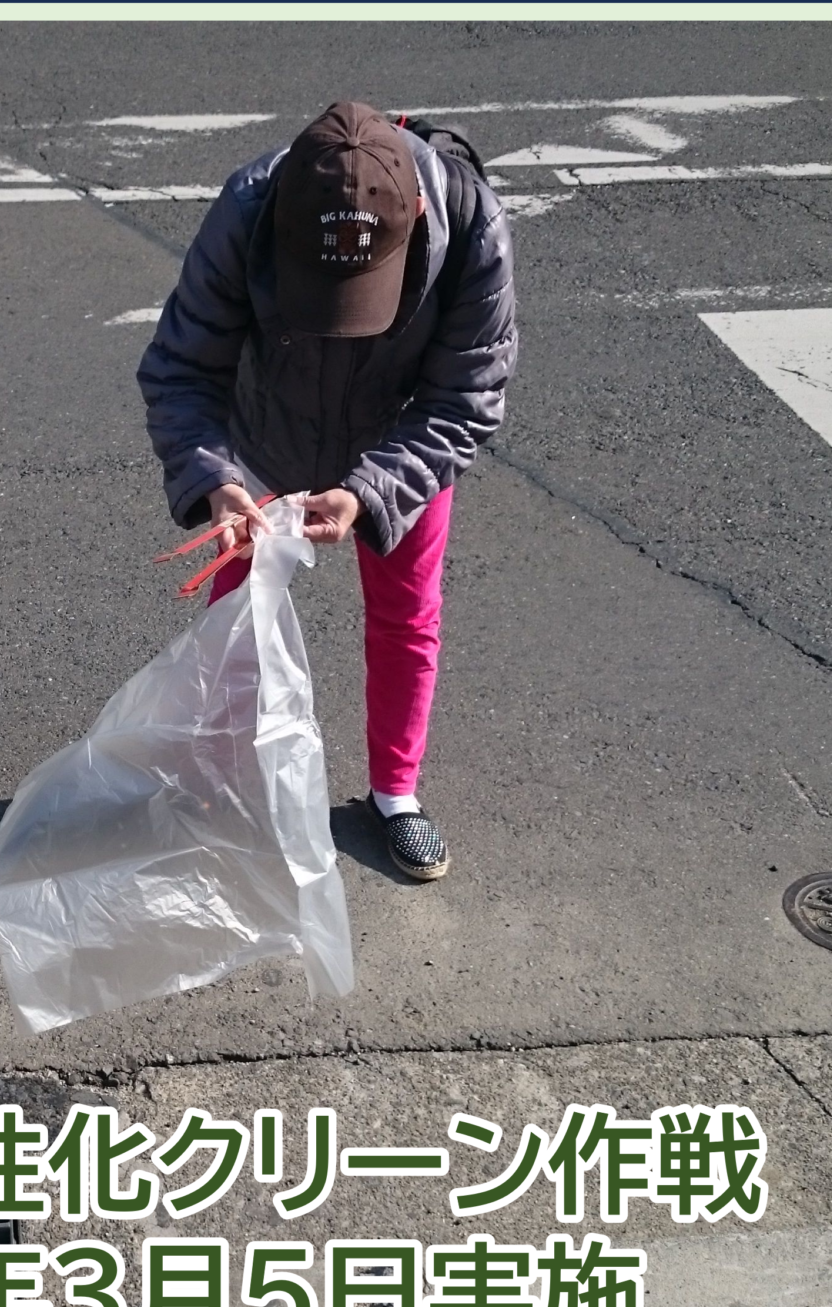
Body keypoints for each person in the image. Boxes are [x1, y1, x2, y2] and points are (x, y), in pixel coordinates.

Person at [138, 100, 518, 881]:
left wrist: (371, 492)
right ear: (284, 222)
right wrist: (217, 481)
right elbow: (182, 367)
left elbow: (465, 398)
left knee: (408, 614)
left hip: (400, 438)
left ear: (416, 215)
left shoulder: (471, 224)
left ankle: (395, 793)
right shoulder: (248, 207)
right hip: (267, 430)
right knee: (240, 618)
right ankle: (225, 785)